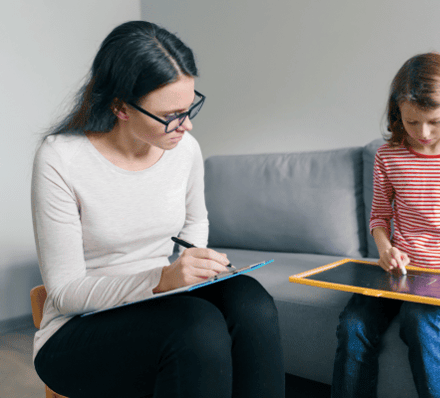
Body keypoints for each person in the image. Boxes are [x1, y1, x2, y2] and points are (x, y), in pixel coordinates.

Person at [31, 21, 284, 398]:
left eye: (190, 106)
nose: (188, 125)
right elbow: (65, 292)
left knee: (251, 301)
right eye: (171, 114)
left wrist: (196, 264)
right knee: (196, 327)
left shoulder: (184, 151)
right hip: (79, 329)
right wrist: (161, 279)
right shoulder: (61, 158)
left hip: (163, 303)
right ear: (120, 107)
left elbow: (195, 220)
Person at [331, 53, 440, 398]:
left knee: (419, 319)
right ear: (397, 111)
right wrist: (385, 250)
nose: (423, 133)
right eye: (412, 122)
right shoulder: (387, 157)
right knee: (354, 323)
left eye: (434, 121)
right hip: (400, 274)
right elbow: (379, 217)